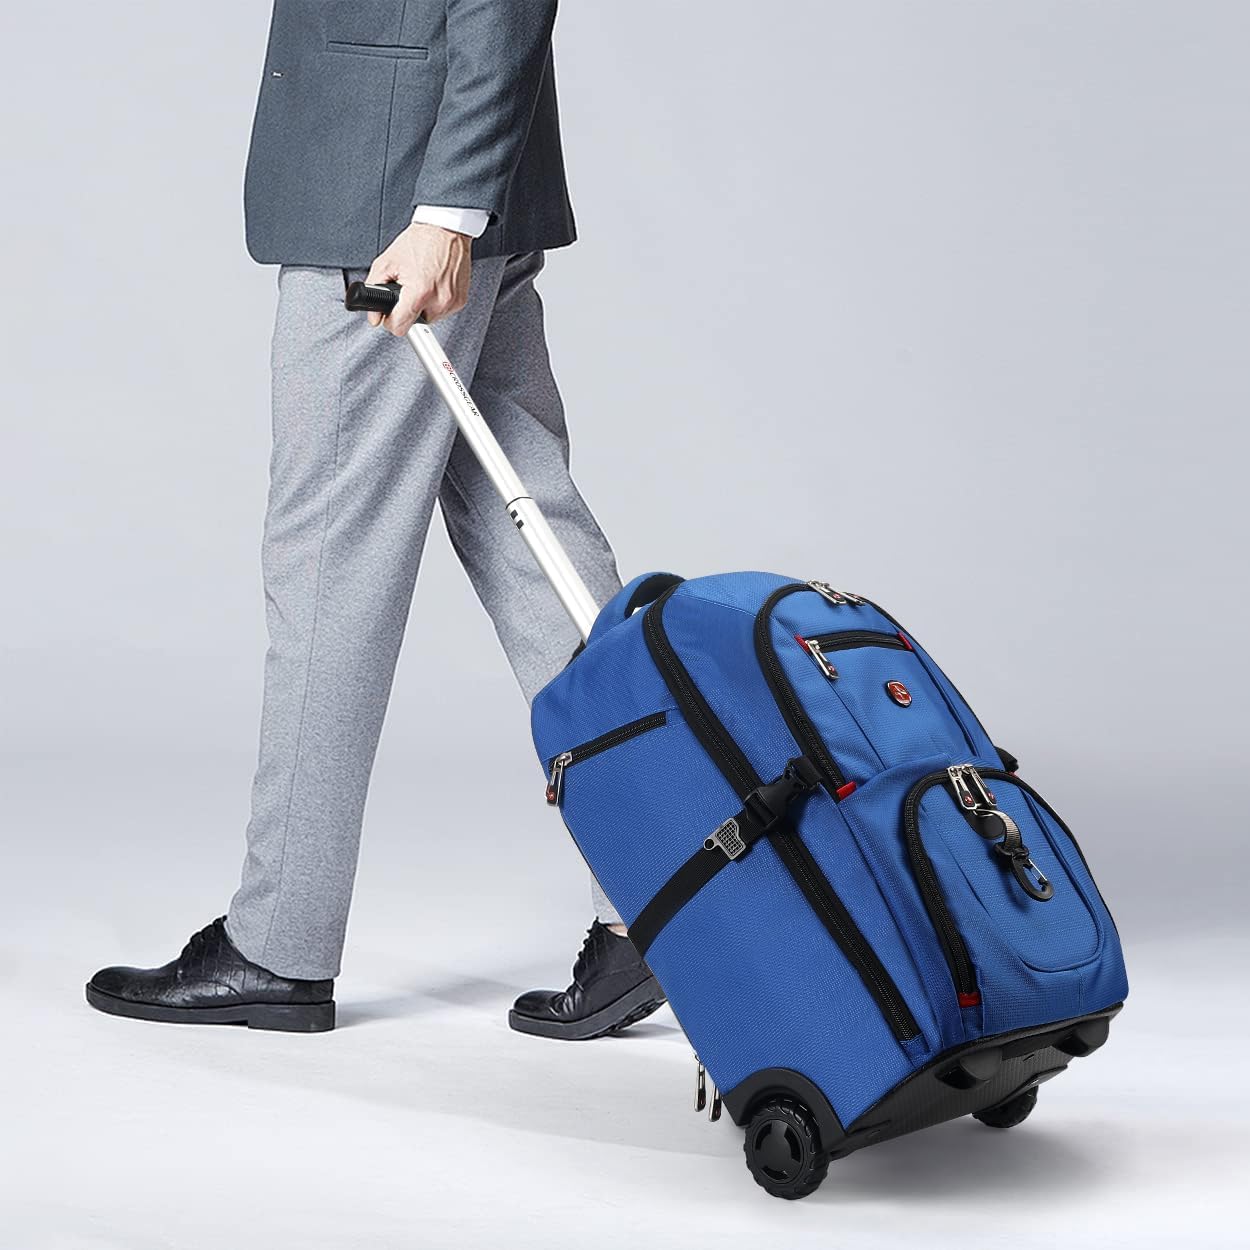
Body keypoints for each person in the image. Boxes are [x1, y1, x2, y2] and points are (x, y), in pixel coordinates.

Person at [85, 0, 664, 1040]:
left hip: (392, 209)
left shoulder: (421, 214)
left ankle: (278, 944)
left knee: (327, 563)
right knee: (539, 552)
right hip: (430, 186)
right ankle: (667, 889)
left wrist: (447, 212)